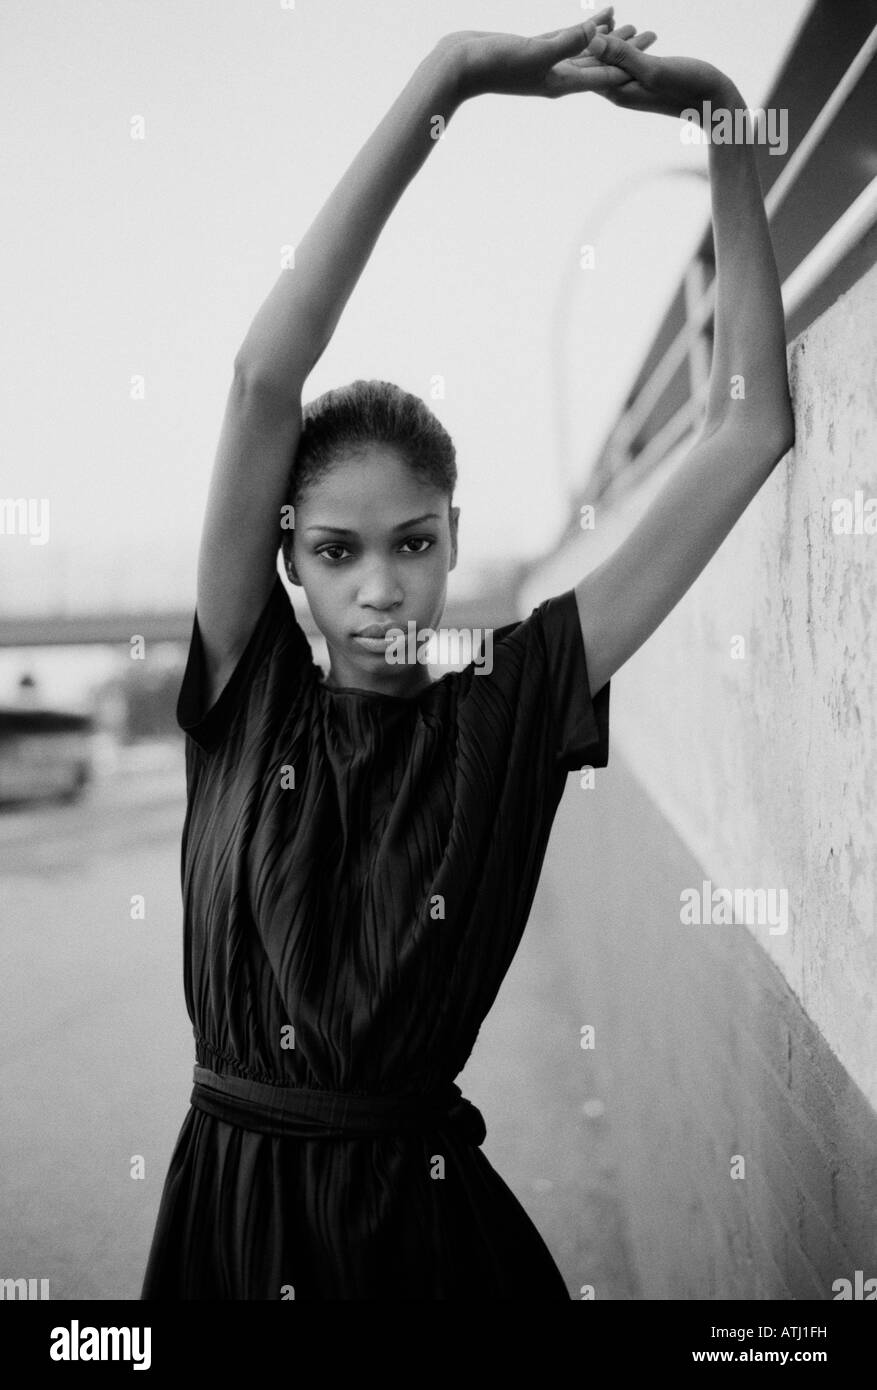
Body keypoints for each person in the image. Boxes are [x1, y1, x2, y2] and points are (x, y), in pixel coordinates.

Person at [141, 10, 794, 1300]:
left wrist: (729, 129)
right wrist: (452, 78)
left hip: (422, 1242)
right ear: (288, 561)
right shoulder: (247, 684)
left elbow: (747, 428)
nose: (379, 587)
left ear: (453, 542)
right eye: (335, 551)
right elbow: (265, 378)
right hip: (223, 1223)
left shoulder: (515, 696)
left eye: (413, 544)